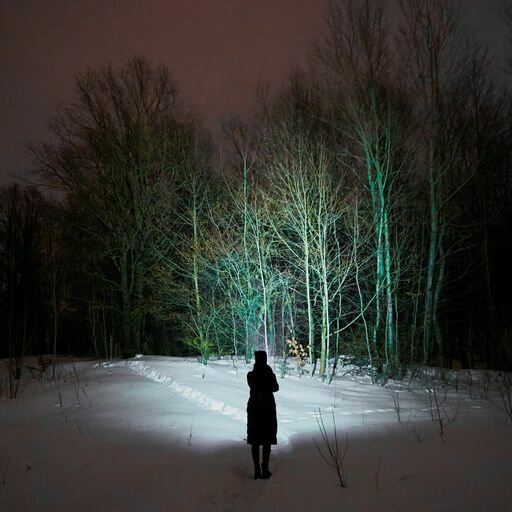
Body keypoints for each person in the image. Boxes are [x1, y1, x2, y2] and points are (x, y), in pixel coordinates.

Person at [246, 350, 279, 479]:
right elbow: (275, 387)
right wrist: (270, 374)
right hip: (267, 410)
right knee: (266, 441)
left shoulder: (251, 375)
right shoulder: (268, 374)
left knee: (255, 441)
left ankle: (257, 470)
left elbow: (254, 385)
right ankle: (265, 469)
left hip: (254, 409)